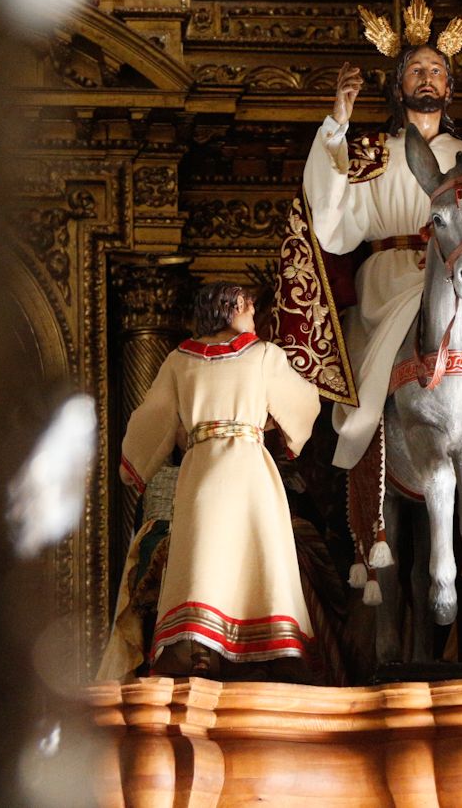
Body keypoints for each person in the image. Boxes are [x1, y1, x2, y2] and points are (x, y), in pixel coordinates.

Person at [275, 0, 462, 543]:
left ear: (450, 85)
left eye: (437, 69)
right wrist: (337, 125)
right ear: (399, 85)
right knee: (424, 314)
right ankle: (381, 446)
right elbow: (329, 219)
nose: (428, 77)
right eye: (416, 69)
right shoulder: (372, 153)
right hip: (395, 278)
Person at [116, 282, 322, 679]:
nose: (252, 316)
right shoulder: (263, 355)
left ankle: (201, 652)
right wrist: (279, 425)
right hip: (248, 468)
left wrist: (133, 466)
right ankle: (274, 648)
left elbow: (151, 420)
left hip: (203, 470)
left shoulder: (180, 360)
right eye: (247, 307)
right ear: (230, 309)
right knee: (259, 552)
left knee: (204, 558)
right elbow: (303, 404)